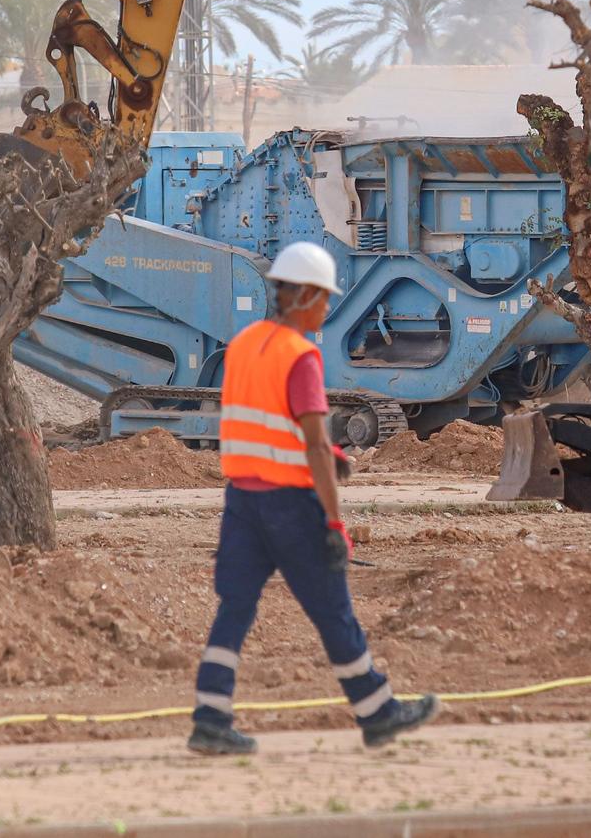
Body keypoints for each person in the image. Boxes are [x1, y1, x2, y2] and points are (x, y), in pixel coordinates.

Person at [188, 240, 438, 755]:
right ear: (300, 295)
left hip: (242, 500)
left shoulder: (244, 345)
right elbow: (316, 445)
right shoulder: (300, 356)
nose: (327, 308)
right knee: (332, 609)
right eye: (323, 298)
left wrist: (318, 458)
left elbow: (263, 426)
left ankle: (210, 716)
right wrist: (334, 522)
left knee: (234, 606)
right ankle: (378, 712)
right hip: (290, 506)